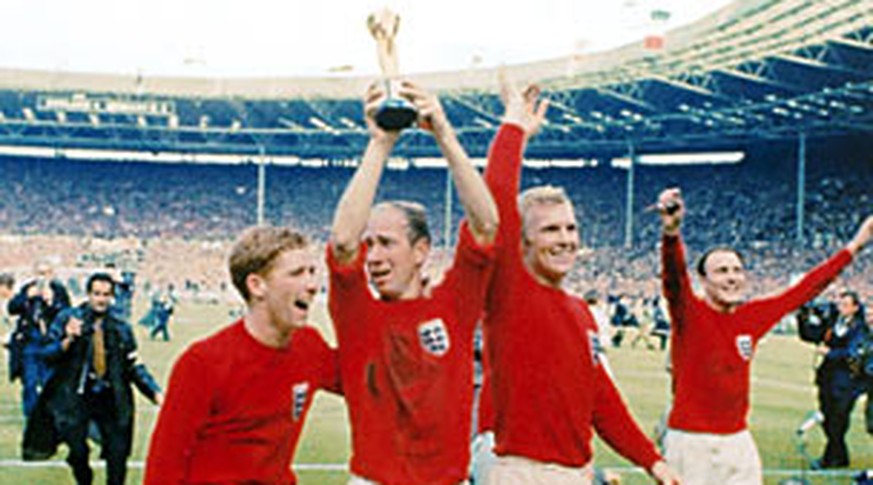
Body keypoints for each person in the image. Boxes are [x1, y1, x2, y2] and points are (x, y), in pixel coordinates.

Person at [481, 77, 678, 484]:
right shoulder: (510, 291)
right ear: (522, 240)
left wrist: (652, 461)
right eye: (550, 230)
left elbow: (600, 398)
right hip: (524, 473)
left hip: (576, 472)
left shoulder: (580, 312)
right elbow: (496, 199)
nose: (566, 239)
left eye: (570, 228)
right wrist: (514, 129)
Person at [328, 81, 498, 484]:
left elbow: (487, 224)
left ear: (421, 251)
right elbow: (343, 243)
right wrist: (380, 144)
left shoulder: (454, 305)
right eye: (370, 244)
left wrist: (444, 133)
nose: (373, 256)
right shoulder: (356, 314)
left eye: (386, 243)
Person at [656, 186, 873, 484]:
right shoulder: (689, 313)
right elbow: (674, 278)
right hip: (691, 441)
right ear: (703, 280)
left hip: (738, 439)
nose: (732, 277)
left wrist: (855, 245)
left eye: (737, 270)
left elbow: (806, 288)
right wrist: (671, 233)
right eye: (721, 271)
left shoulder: (753, 316)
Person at [144, 226, 340, 485]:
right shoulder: (203, 363)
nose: (313, 285)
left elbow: (372, 381)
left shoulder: (309, 346)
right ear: (257, 285)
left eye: (312, 272)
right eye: (297, 273)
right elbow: (163, 468)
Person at [22, 272, 162, 485]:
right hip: (76, 398)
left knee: (118, 455)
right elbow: (47, 354)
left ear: (112, 296)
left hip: (112, 398)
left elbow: (134, 365)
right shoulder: (69, 319)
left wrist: (155, 393)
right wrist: (68, 339)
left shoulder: (120, 327)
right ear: (88, 294)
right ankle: (82, 475)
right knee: (78, 451)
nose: (101, 299)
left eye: (106, 294)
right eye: (97, 294)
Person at [7, 259, 71, 416]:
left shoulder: (59, 291)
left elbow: (66, 312)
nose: (43, 277)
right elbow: (12, 308)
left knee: (50, 382)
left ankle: (50, 416)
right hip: (30, 342)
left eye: (46, 273)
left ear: (52, 274)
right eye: (40, 273)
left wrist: (51, 302)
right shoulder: (28, 289)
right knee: (30, 383)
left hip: (50, 343)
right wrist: (26, 297)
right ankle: (31, 417)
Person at [813, 290, 868, 469]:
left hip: (847, 381)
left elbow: (853, 353)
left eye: (845, 305)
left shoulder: (859, 328)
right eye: (840, 304)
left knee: (838, 420)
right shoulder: (834, 322)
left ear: (855, 308)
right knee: (827, 417)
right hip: (827, 377)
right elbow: (812, 334)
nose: (841, 308)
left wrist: (830, 353)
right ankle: (840, 456)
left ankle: (830, 458)